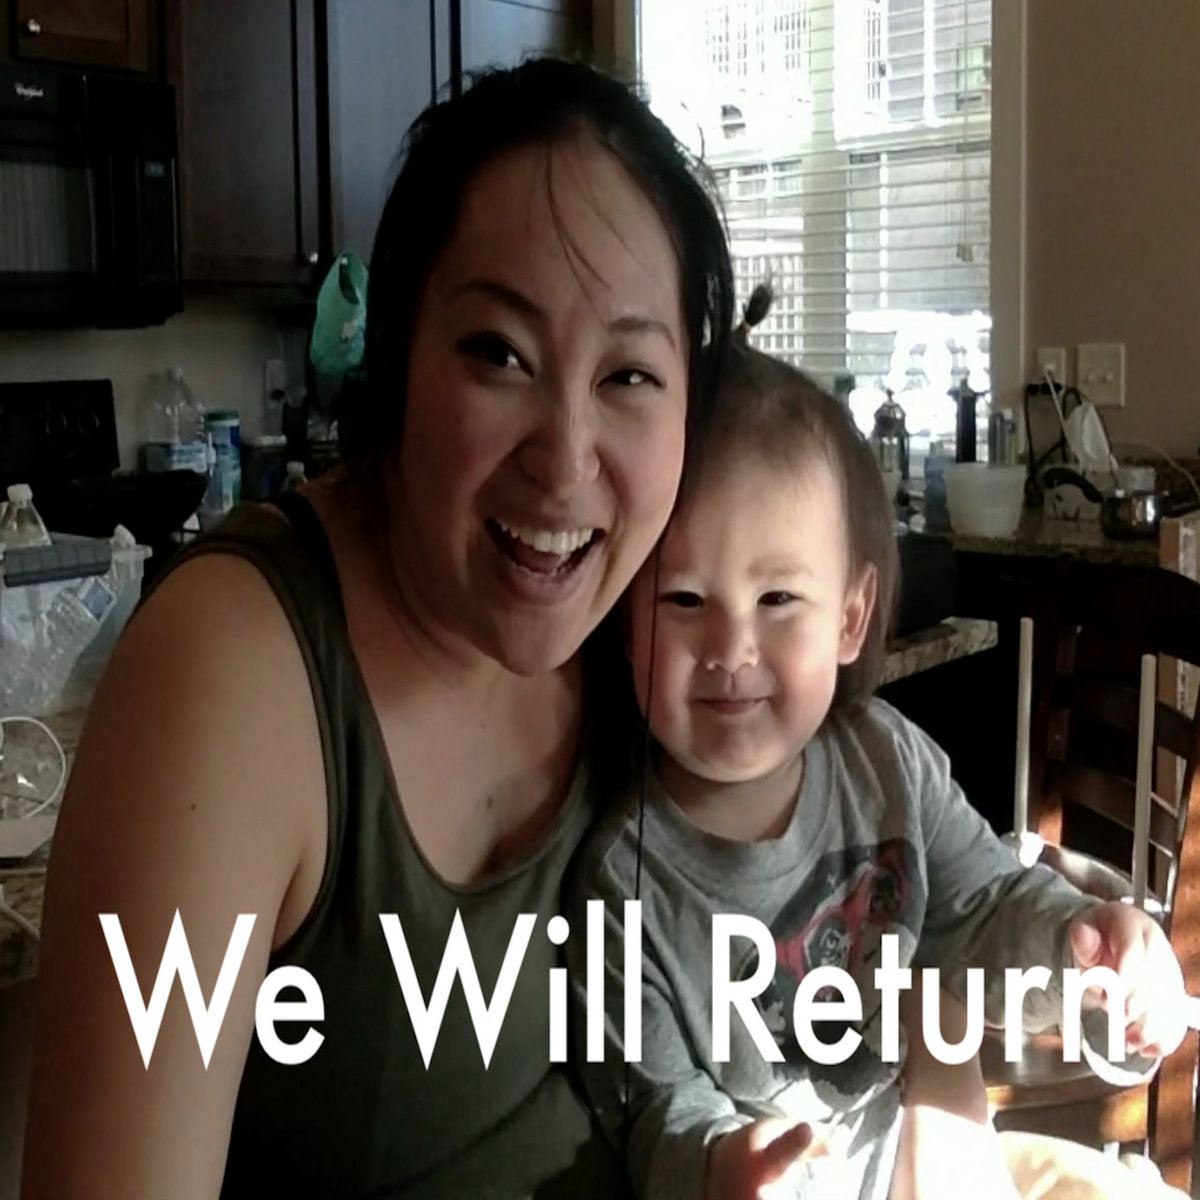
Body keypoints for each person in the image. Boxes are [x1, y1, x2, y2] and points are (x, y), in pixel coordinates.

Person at [21, 58, 735, 1199]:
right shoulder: (233, 669)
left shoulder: (665, 623)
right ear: (396, 355)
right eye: (499, 353)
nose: (565, 463)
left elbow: (880, 884)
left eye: (631, 375)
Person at [571, 295, 1190, 1199]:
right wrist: (713, 1165)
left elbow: (987, 907)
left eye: (778, 600)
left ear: (851, 617)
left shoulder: (884, 762)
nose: (732, 649)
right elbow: (654, 1107)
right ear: (625, 619)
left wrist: (1084, 948)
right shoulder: (622, 887)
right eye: (684, 600)